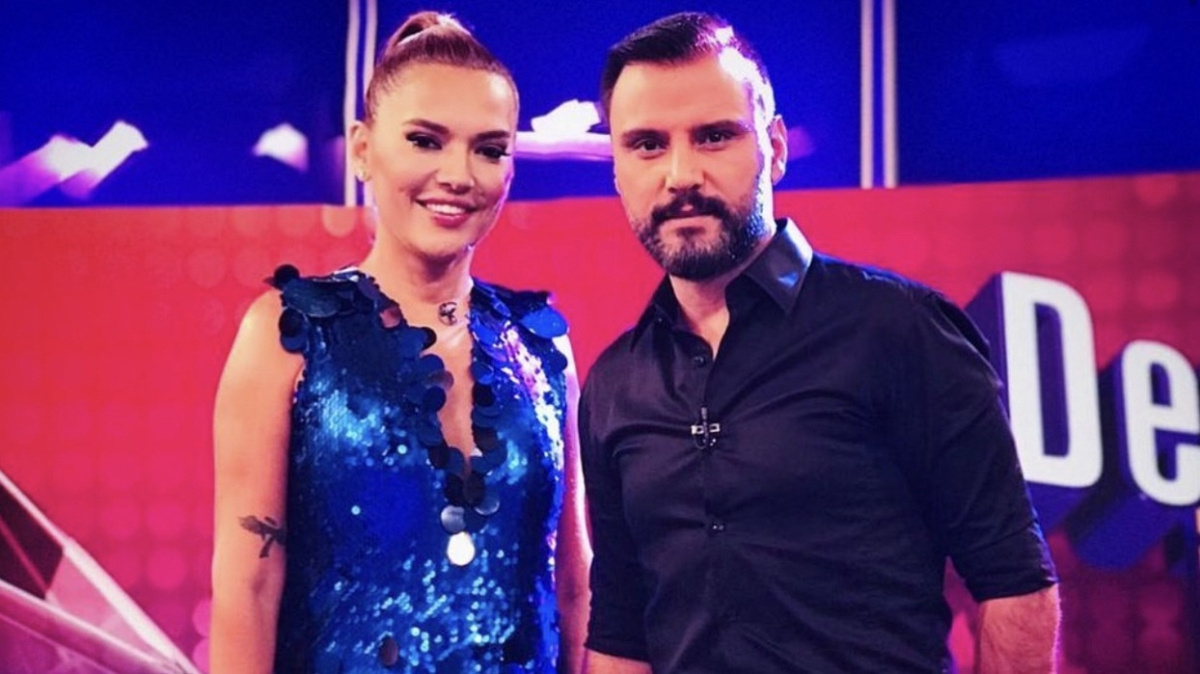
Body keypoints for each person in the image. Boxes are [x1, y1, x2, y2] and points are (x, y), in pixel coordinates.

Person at [580, 12, 1059, 674]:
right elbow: (621, 630)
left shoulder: (899, 329)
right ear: (617, 168)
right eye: (647, 145)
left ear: (774, 147)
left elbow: (1014, 583)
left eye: (714, 136)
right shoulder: (614, 382)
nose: (680, 174)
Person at [210, 11, 589, 673]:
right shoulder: (290, 333)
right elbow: (249, 587)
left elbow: (575, 584)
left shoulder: (541, 346)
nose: (458, 174)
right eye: (424, 140)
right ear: (362, 149)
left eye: (489, 149)